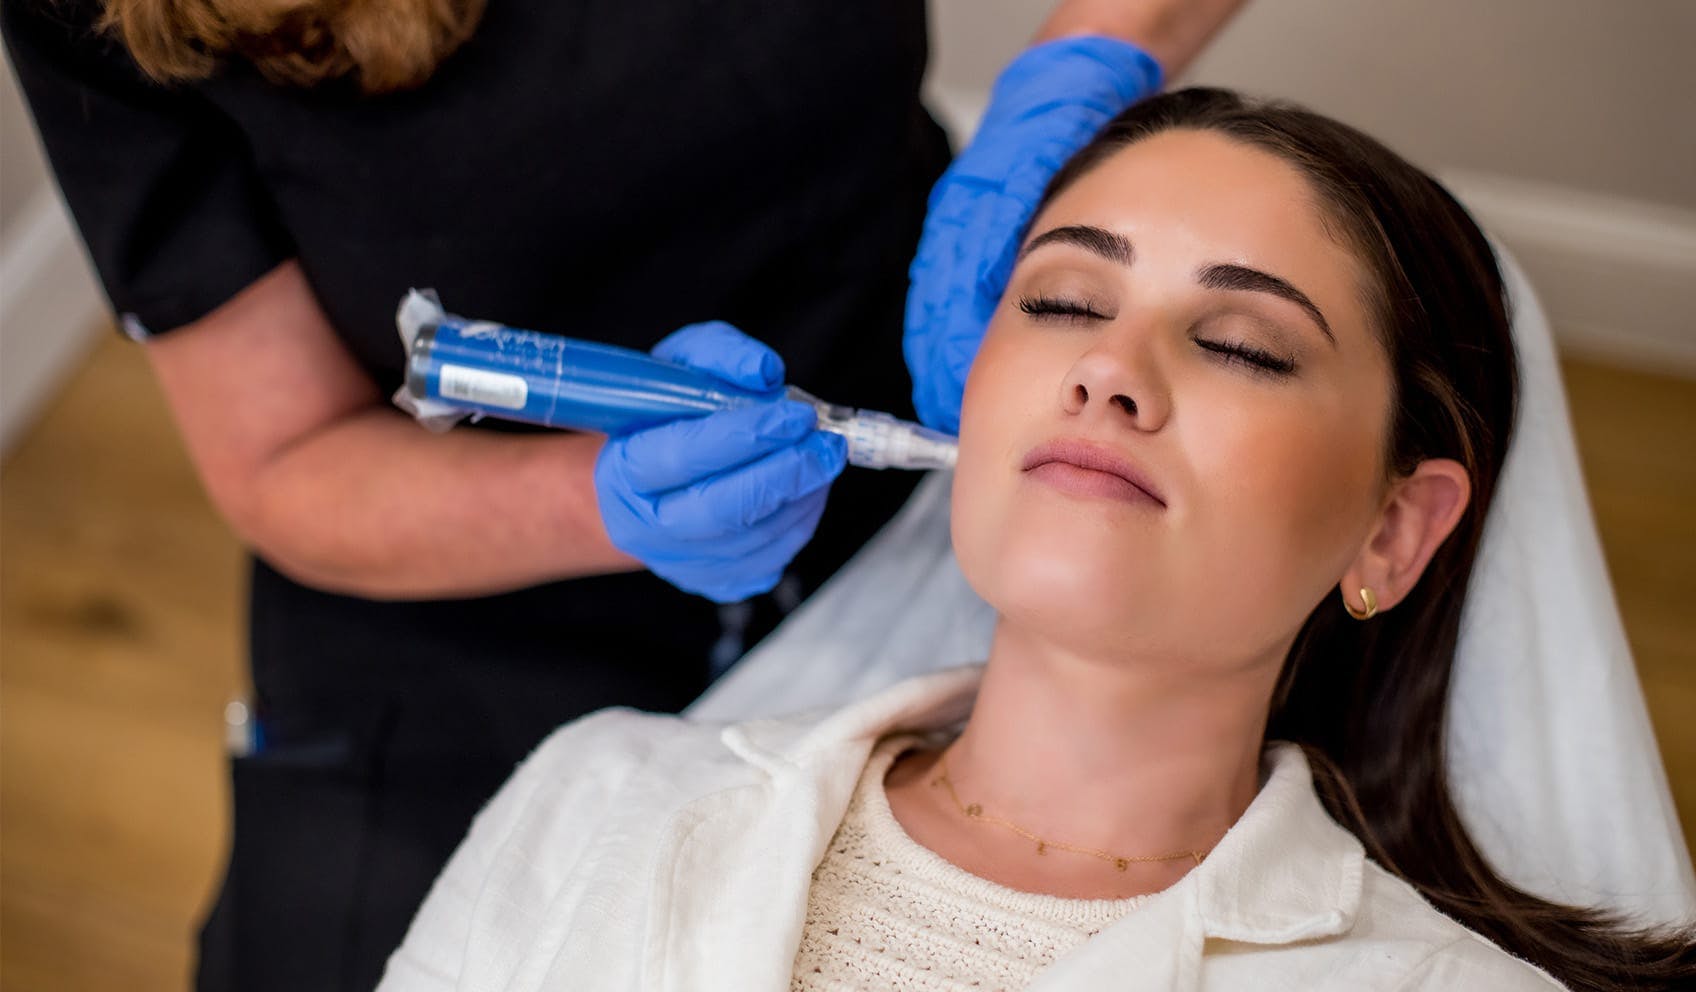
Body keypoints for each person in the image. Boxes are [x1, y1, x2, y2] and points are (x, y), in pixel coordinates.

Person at [1, 1, 1246, 988]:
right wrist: (600, 501)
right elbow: (282, 457)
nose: (1111, 383)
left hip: (893, 367)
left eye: (1245, 343)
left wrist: (1092, 54)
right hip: (471, 572)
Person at [378, 89, 1696, 991]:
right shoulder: (601, 794)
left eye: (1240, 342)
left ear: (1395, 530)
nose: (1110, 370)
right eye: (1063, 299)